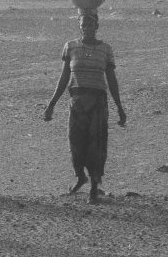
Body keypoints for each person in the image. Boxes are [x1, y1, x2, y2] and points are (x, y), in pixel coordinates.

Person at [44, 11, 127, 204]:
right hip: (77, 102)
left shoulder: (106, 49)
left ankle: (93, 188)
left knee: (96, 145)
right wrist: (51, 105)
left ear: (97, 27)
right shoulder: (70, 47)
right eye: (84, 26)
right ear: (79, 27)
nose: (87, 29)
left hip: (98, 103)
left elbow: (112, 81)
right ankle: (80, 176)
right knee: (76, 143)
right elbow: (64, 78)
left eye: (91, 26)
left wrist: (120, 107)